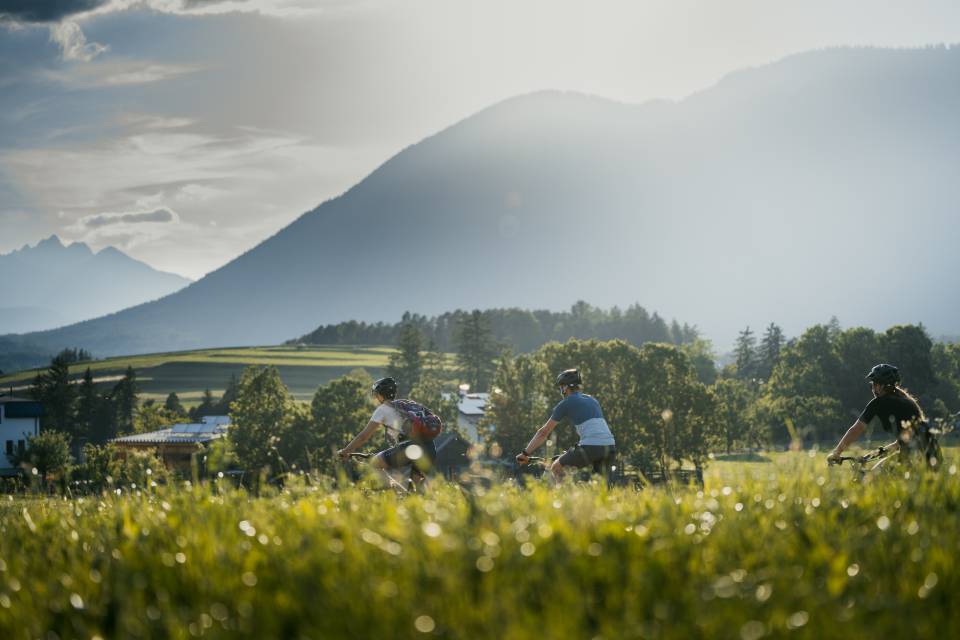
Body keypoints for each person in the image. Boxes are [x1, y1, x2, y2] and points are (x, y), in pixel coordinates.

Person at [515, 369, 616, 481]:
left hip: (591, 446)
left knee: (556, 467)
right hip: (610, 446)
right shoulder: (592, 400)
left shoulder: (566, 403)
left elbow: (543, 433)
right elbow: (595, 431)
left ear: (565, 388)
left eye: (561, 387)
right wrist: (570, 453)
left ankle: (563, 497)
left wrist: (525, 453)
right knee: (600, 486)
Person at [337, 377, 436, 487]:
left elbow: (363, 437)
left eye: (376, 394)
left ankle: (393, 494)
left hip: (410, 448)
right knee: (413, 494)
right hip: (430, 448)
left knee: (374, 464)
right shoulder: (406, 405)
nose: (375, 397)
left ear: (381, 394)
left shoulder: (383, 409)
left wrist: (346, 451)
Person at [827, 363, 929, 465]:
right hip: (931, 457)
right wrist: (877, 453)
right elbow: (905, 439)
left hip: (912, 457)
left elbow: (856, 430)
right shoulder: (907, 401)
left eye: (873, 384)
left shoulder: (878, 403)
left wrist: (836, 453)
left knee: (874, 476)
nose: (873, 388)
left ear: (879, 386)